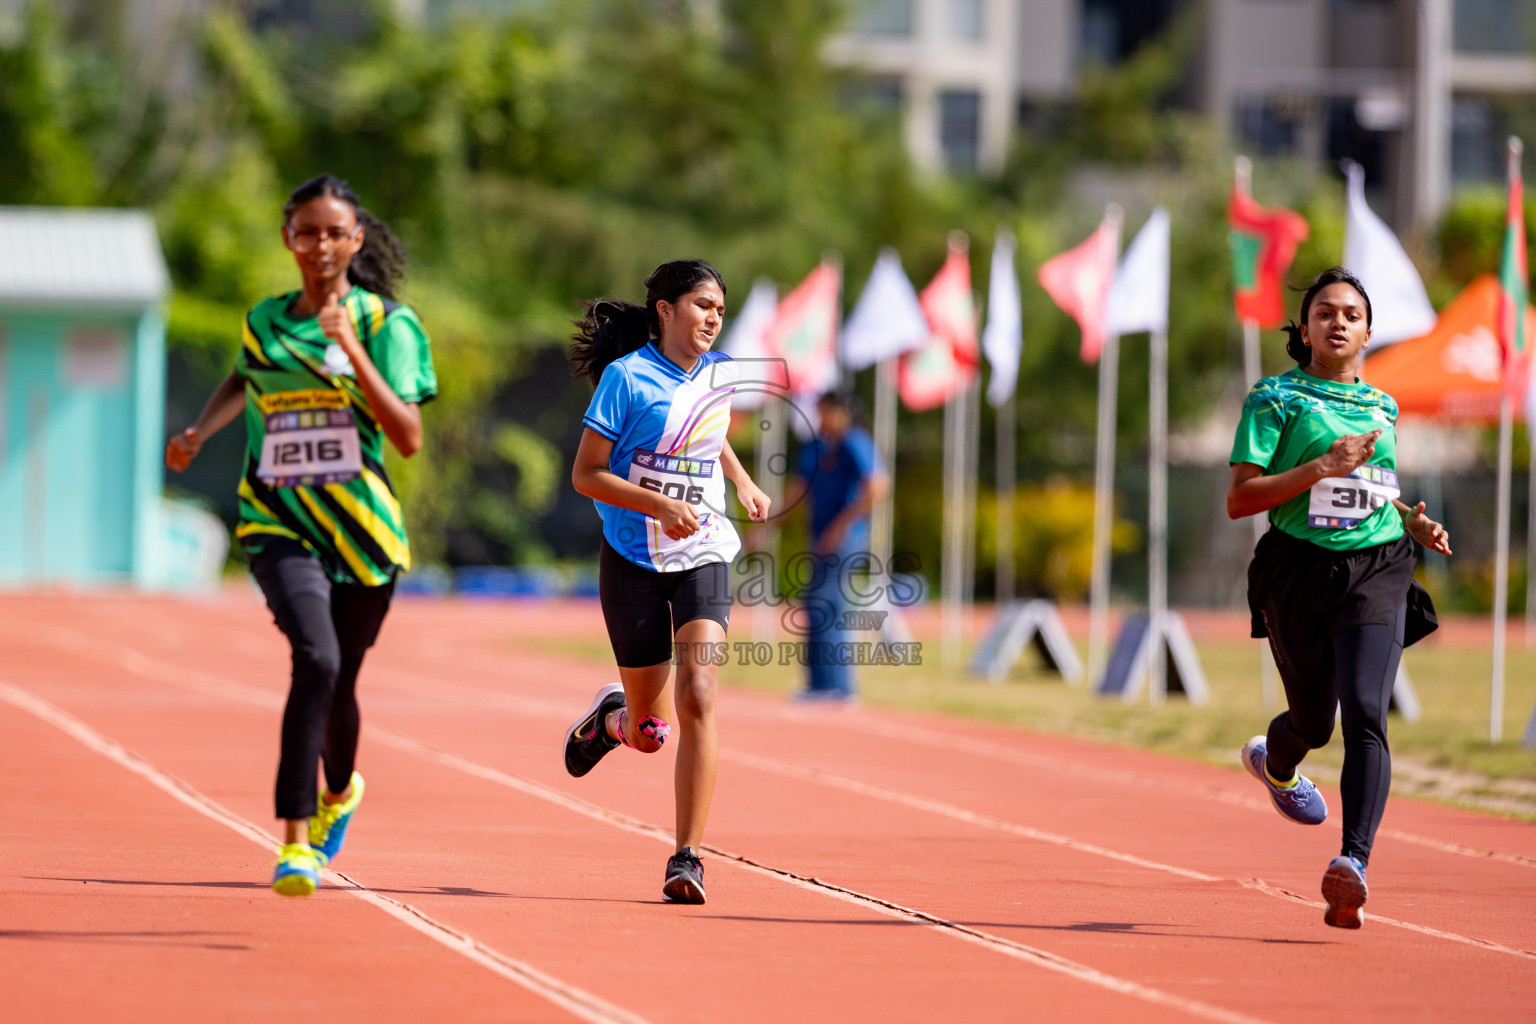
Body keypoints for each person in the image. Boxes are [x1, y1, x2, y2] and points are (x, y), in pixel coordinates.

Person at [166, 174, 436, 896]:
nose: (319, 244)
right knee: (313, 660)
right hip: (278, 521)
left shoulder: (388, 326)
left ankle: (338, 792)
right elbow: (245, 374)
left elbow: (407, 435)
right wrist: (199, 429)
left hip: (364, 534)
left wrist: (352, 345)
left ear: (356, 240)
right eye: (305, 231)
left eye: (333, 232)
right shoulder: (265, 318)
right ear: (289, 238)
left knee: (341, 678)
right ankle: (292, 842)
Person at [1227, 267, 1450, 929]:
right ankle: (1279, 758)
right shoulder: (1274, 398)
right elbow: (1241, 500)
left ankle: (1351, 863)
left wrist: (1412, 520)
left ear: (1369, 331)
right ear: (1305, 329)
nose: (1338, 322)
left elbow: (1374, 487)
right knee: (1314, 724)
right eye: (1325, 312)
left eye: (1351, 313)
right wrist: (1321, 467)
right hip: (1297, 571)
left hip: (1378, 566)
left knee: (1365, 712)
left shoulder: (1385, 404)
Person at [562, 260, 770, 904]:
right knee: (651, 732)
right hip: (633, 558)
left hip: (704, 549)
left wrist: (738, 479)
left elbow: (704, 431)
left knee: (700, 694)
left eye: (719, 309)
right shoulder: (626, 380)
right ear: (665, 309)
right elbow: (587, 476)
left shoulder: (723, 373)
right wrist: (658, 506)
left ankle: (688, 858)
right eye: (702, 305)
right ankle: (615, 720)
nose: (713, 317)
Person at [790, 390, 890, 703]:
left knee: (830, 607)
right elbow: (797, 491)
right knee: (815, 605)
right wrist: (765, 525)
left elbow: (878, 486)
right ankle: (818, 685)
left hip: (844, 540)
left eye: (824, 411)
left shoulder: (854, 441)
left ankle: (840, 687)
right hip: (821, 539)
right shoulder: (817, 447)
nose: (819, 418)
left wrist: (840, 526)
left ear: (841, 412)